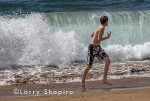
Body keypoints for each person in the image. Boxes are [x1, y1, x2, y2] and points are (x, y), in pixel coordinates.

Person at [81, 16, 112, 90]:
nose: (108, 22)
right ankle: (82, 81)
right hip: (93, 48)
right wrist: (107, 37)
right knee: (89, 66)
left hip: (96, 48)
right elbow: (99, 39)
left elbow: (92, 35)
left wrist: (95, 39)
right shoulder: (102, 28)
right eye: (108, 21)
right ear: (106, 21)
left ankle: (104, 79)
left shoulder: (99, 27)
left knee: (107, 61)